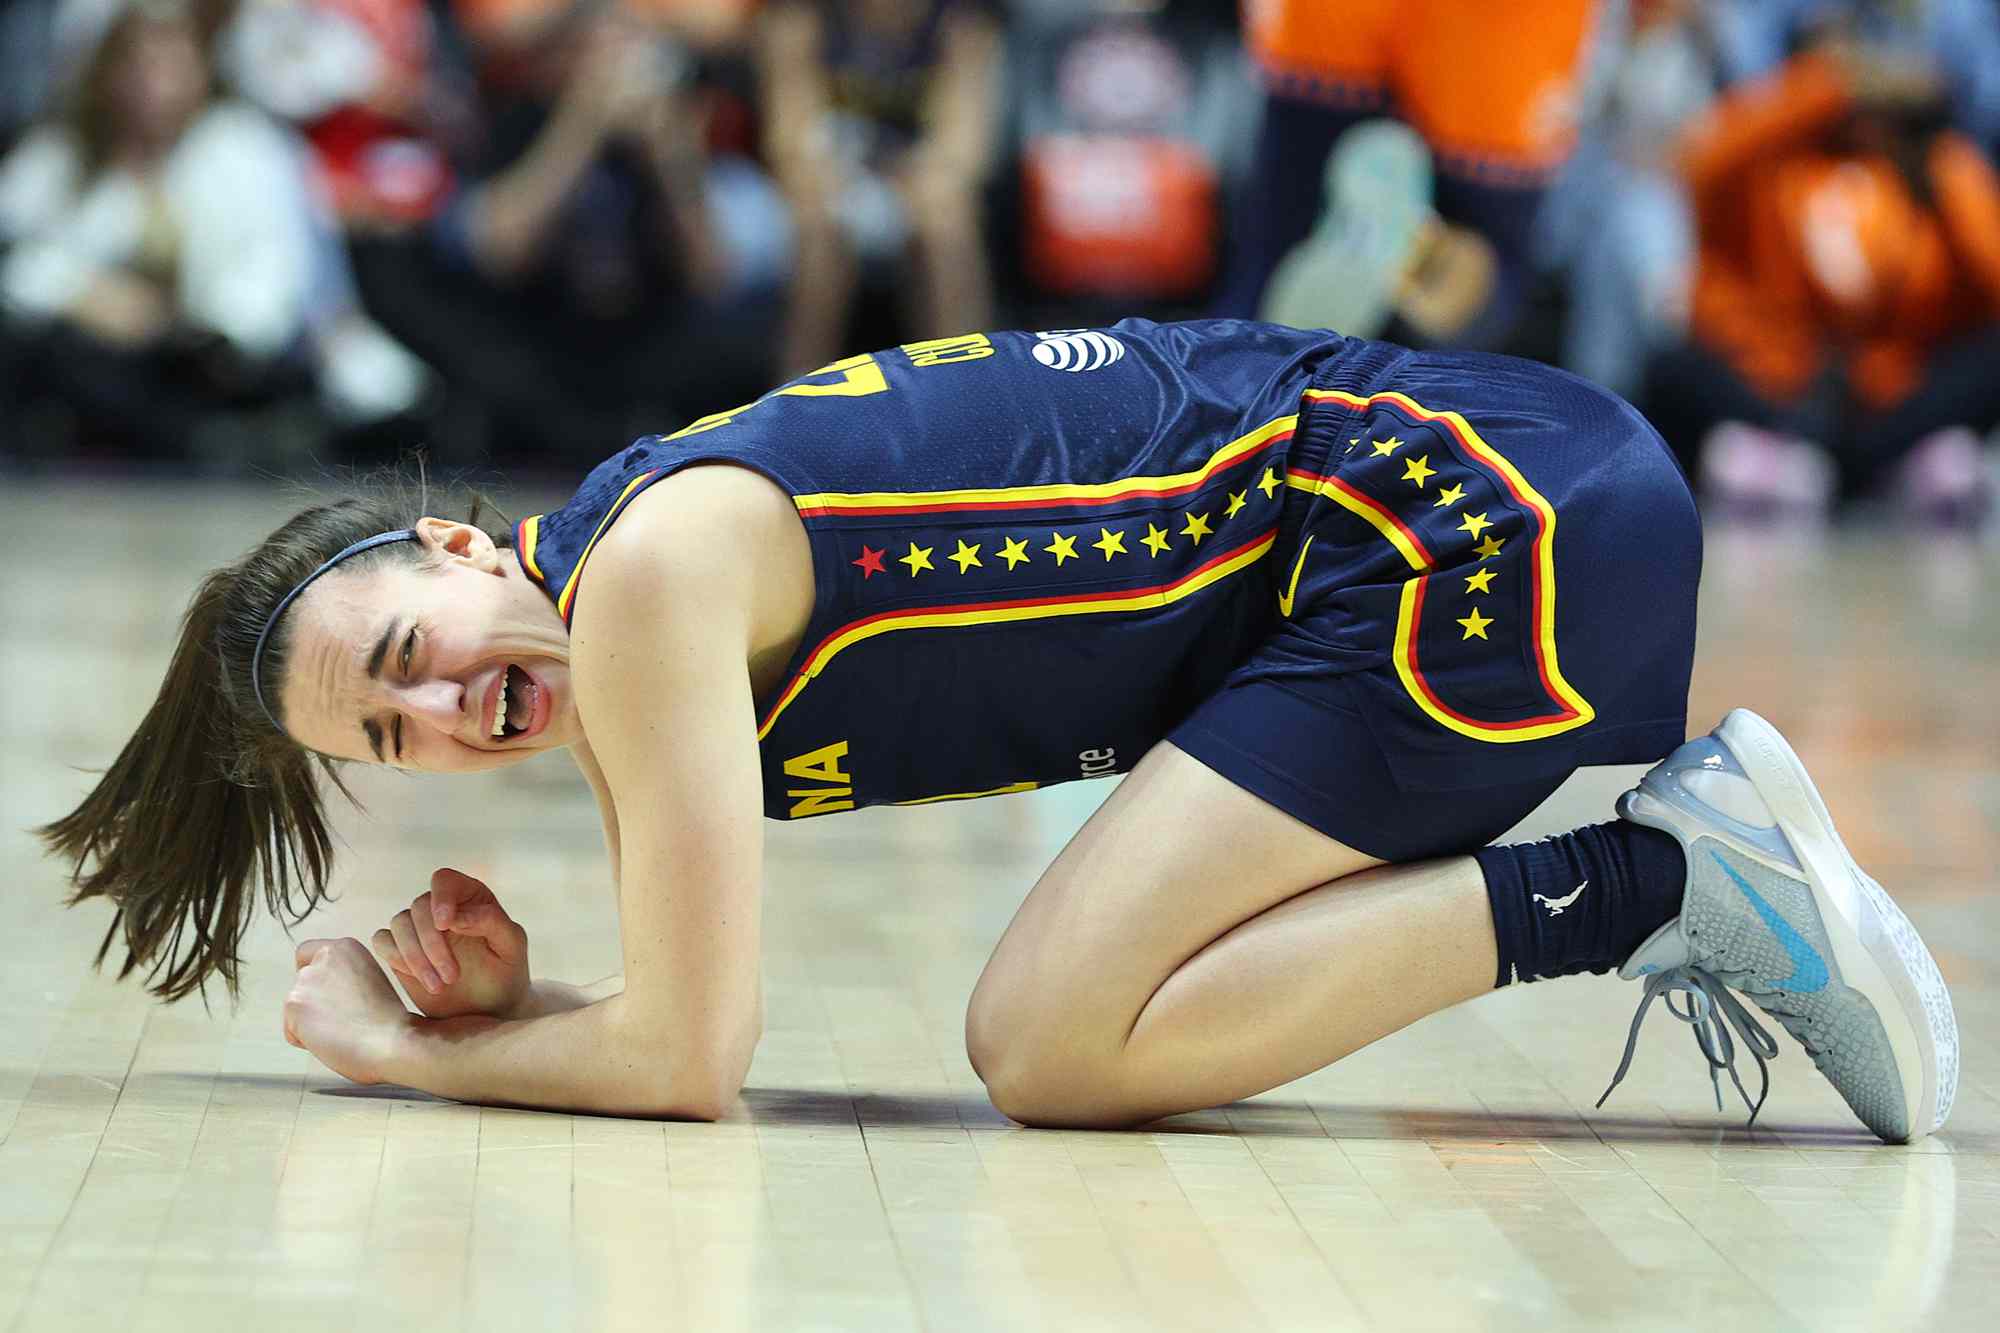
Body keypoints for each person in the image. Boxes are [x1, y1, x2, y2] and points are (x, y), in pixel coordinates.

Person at [39, 319, 1957, 1142]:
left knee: (1048, 1036)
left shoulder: (642, 586)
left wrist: (405, 1052)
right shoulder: (634, 589)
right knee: (1057, 1027)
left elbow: (695, 1062)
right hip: (1496, 504)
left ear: (460, 545)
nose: (447, 706)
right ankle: (1663, 875)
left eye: (409, 644)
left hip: (1473, 532)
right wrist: (538, 1018)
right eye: (397, 735)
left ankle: (1657, 882)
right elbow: (670, 1034)